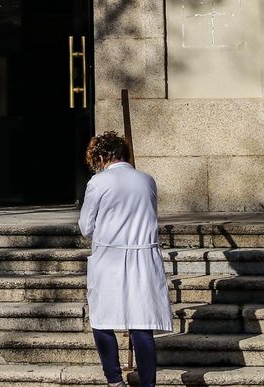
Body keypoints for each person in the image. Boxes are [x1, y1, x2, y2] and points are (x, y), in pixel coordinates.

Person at [78, 131, 172, 387]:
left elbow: (86, 227)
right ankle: (148, 383)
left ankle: (114, 379)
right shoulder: (147, 180)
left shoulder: (98, 182)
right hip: (144, 257)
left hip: (110, 257)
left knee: (102, 319)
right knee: (142, 324)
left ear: (101, 157)